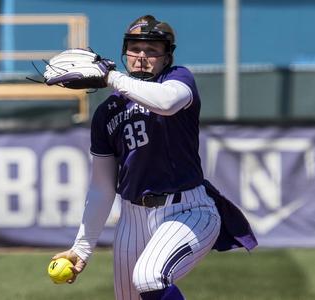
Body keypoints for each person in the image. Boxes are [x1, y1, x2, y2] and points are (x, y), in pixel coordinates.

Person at [50, 15, 257, 300]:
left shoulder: (177, 79)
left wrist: (110, 76)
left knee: (149, 276)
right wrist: (82, 248)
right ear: (125, 51)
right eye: (135, 48)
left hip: (188, 209)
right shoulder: (107, 112)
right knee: (132, 295)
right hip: (132, 218)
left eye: (152, 50)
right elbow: (101, 186)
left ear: (167, 56)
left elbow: (167, 102)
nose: (142, 57)